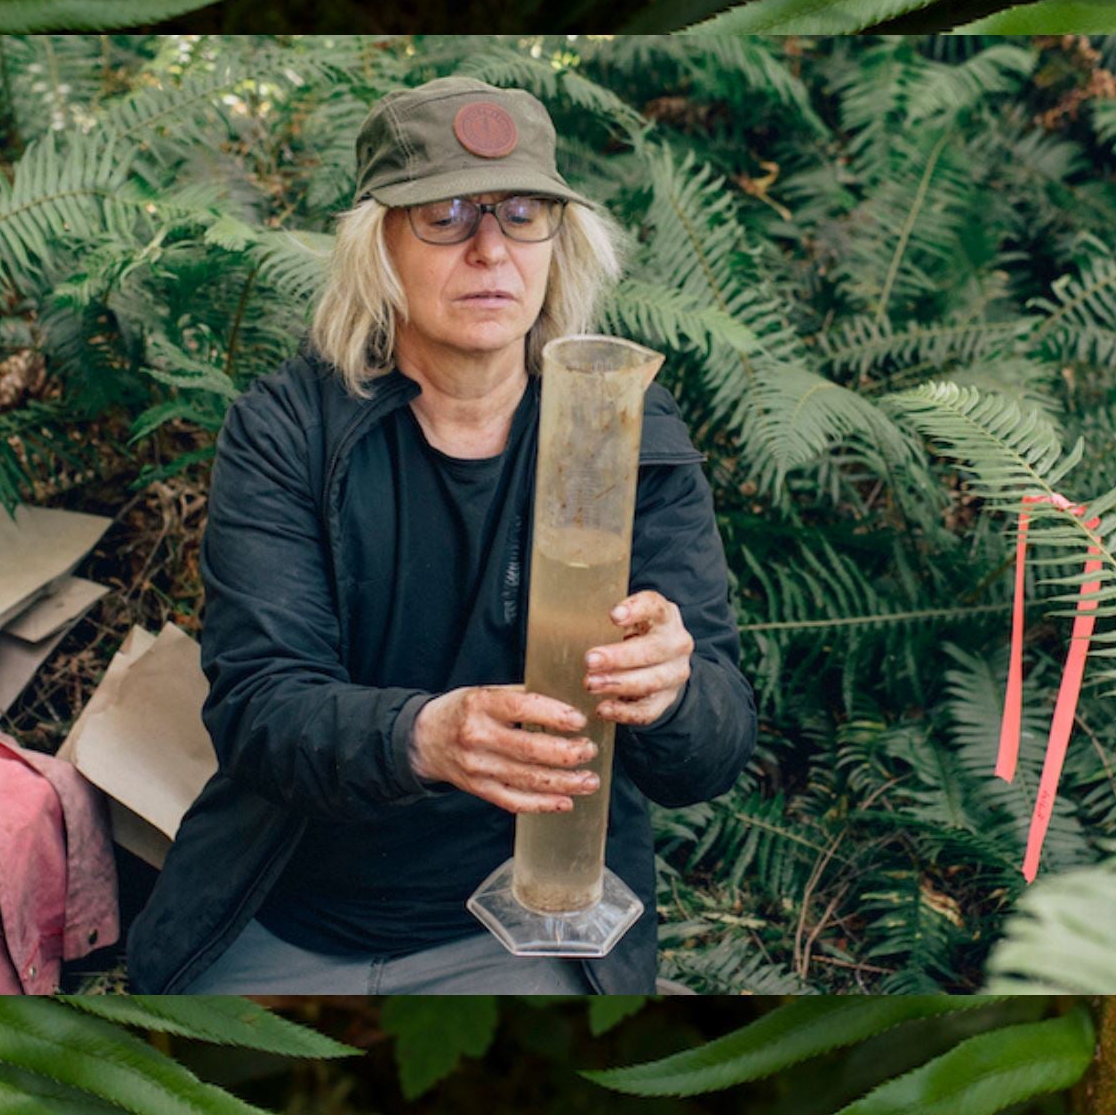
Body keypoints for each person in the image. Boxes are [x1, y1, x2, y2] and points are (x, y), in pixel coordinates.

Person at [127, 76, 757, 995]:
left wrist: (672, 695)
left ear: (559, 243)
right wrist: (426, 736)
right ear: (378, 243)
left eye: (523, 214)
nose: (490, 248)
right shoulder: (290, 430)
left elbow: (717, 748)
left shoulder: (622, 432)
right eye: (447, 214)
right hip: (286, 914)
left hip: (527, 926)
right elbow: (258, 710)